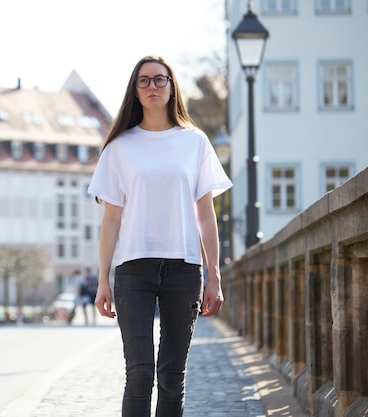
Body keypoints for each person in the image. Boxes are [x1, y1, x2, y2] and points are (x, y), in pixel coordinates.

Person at [87, 55, 232, 417]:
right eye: (144, 81)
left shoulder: (195, 142)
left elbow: (205, 214)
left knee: (171, 376)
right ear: (135, 91)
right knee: (139, 374)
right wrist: (103, 279)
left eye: (159, 80)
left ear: (172, 87)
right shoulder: (120, 147)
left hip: (184, 268)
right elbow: (111, 220)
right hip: (133, 269)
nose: (152, 87)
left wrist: (213, 274)